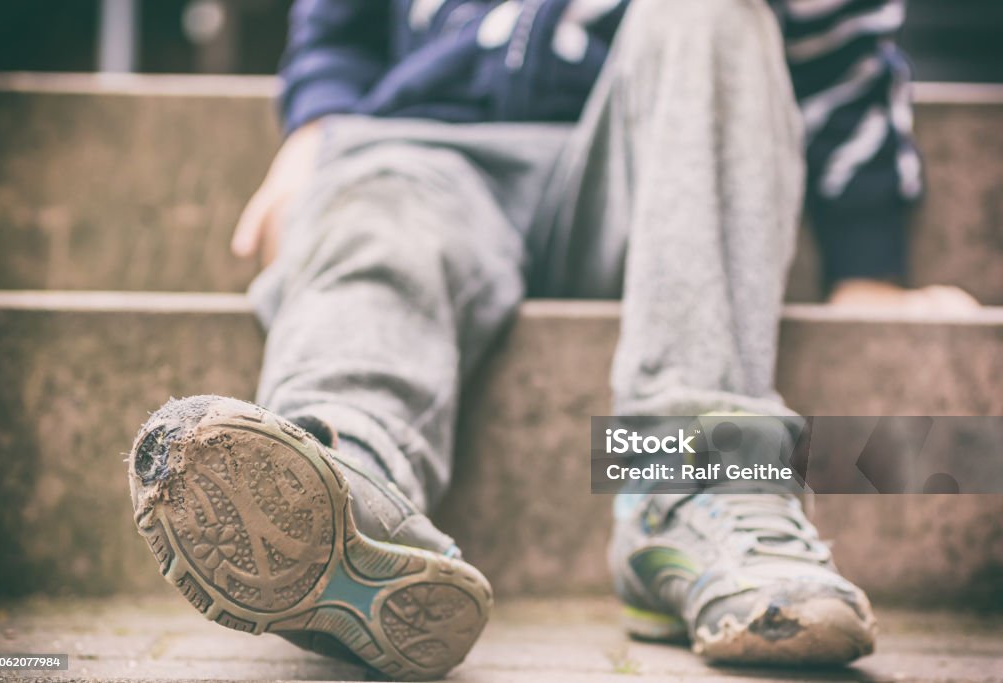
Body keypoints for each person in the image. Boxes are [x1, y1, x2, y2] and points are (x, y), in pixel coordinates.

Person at [127, 0, 968, 679]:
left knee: (712, 13)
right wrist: (319, 121)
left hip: (648, 161)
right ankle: (343, 478)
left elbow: (840, 35)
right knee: (375, 225)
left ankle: (697, 476)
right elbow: (339, 19)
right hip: (427, 143)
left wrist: (869, 258)